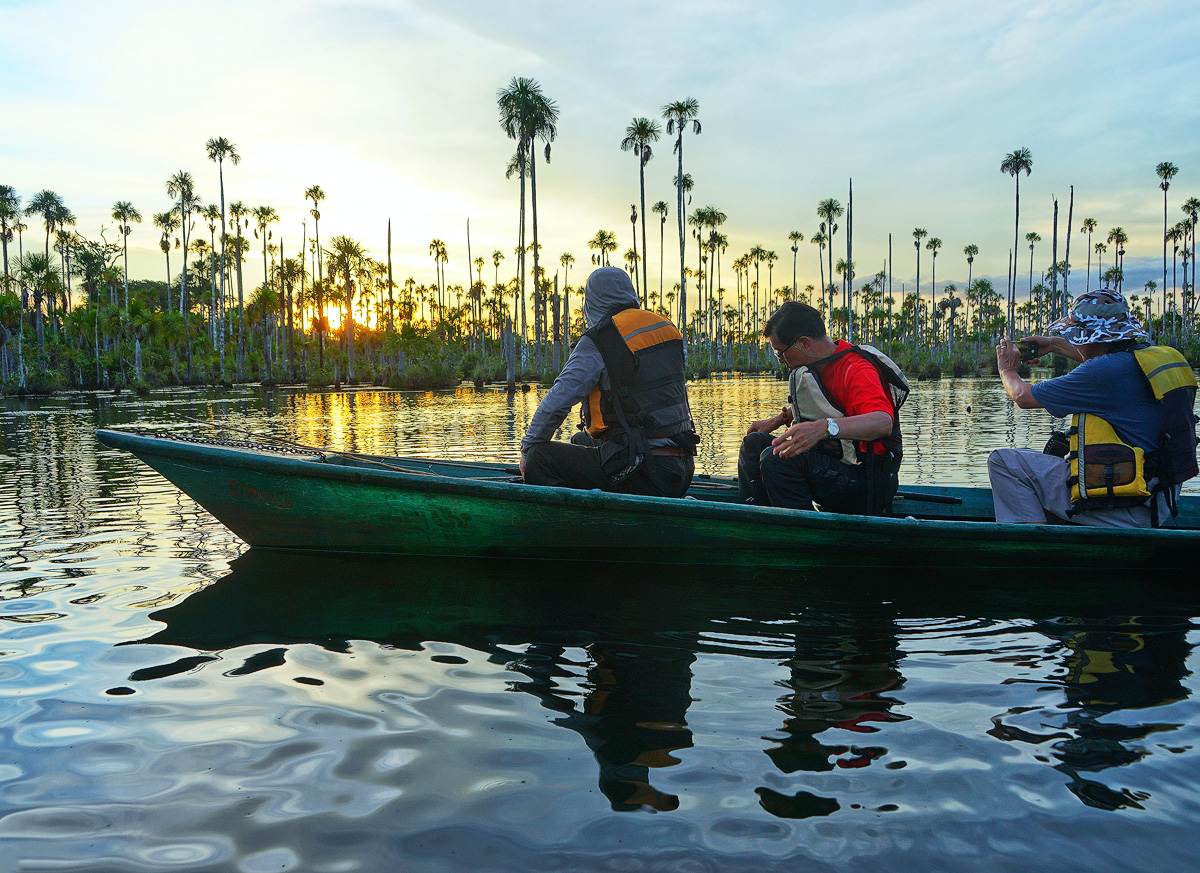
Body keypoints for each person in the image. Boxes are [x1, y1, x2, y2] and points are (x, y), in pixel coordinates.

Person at [989, 288, 1198, 527]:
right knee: (1027, 456)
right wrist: (1054, 345)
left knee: (1003, 461)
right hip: (1159, 499)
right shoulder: (1158, 358)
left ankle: (1033, 548)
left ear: (1091, 336)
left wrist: (1007, 370)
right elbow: (1102, 361)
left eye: (1078, 335)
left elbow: (1022, 396)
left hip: (1128, 508)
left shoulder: (1101, 373)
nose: (1075, 341)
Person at [519, 267, 698, 497]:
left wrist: (526, 451)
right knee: (580, 440)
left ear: (591, 302)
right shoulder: (665, 327)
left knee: (539, 458)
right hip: (682, 468)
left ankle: (576, 525)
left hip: (642, 471)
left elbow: (556, 402)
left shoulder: (603, 338)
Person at [738, 301, 907, 515]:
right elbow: (829, 407)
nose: (781, 360)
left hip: (868, 481)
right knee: (755, 444)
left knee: (776, 459)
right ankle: (754, 518)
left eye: (780, 352)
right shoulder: (822, 364)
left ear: (805, 343)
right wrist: (778, 420)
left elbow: (883, 421)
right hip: (839, 466)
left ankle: (802, 533)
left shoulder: (856, 369)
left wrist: (824, 428)